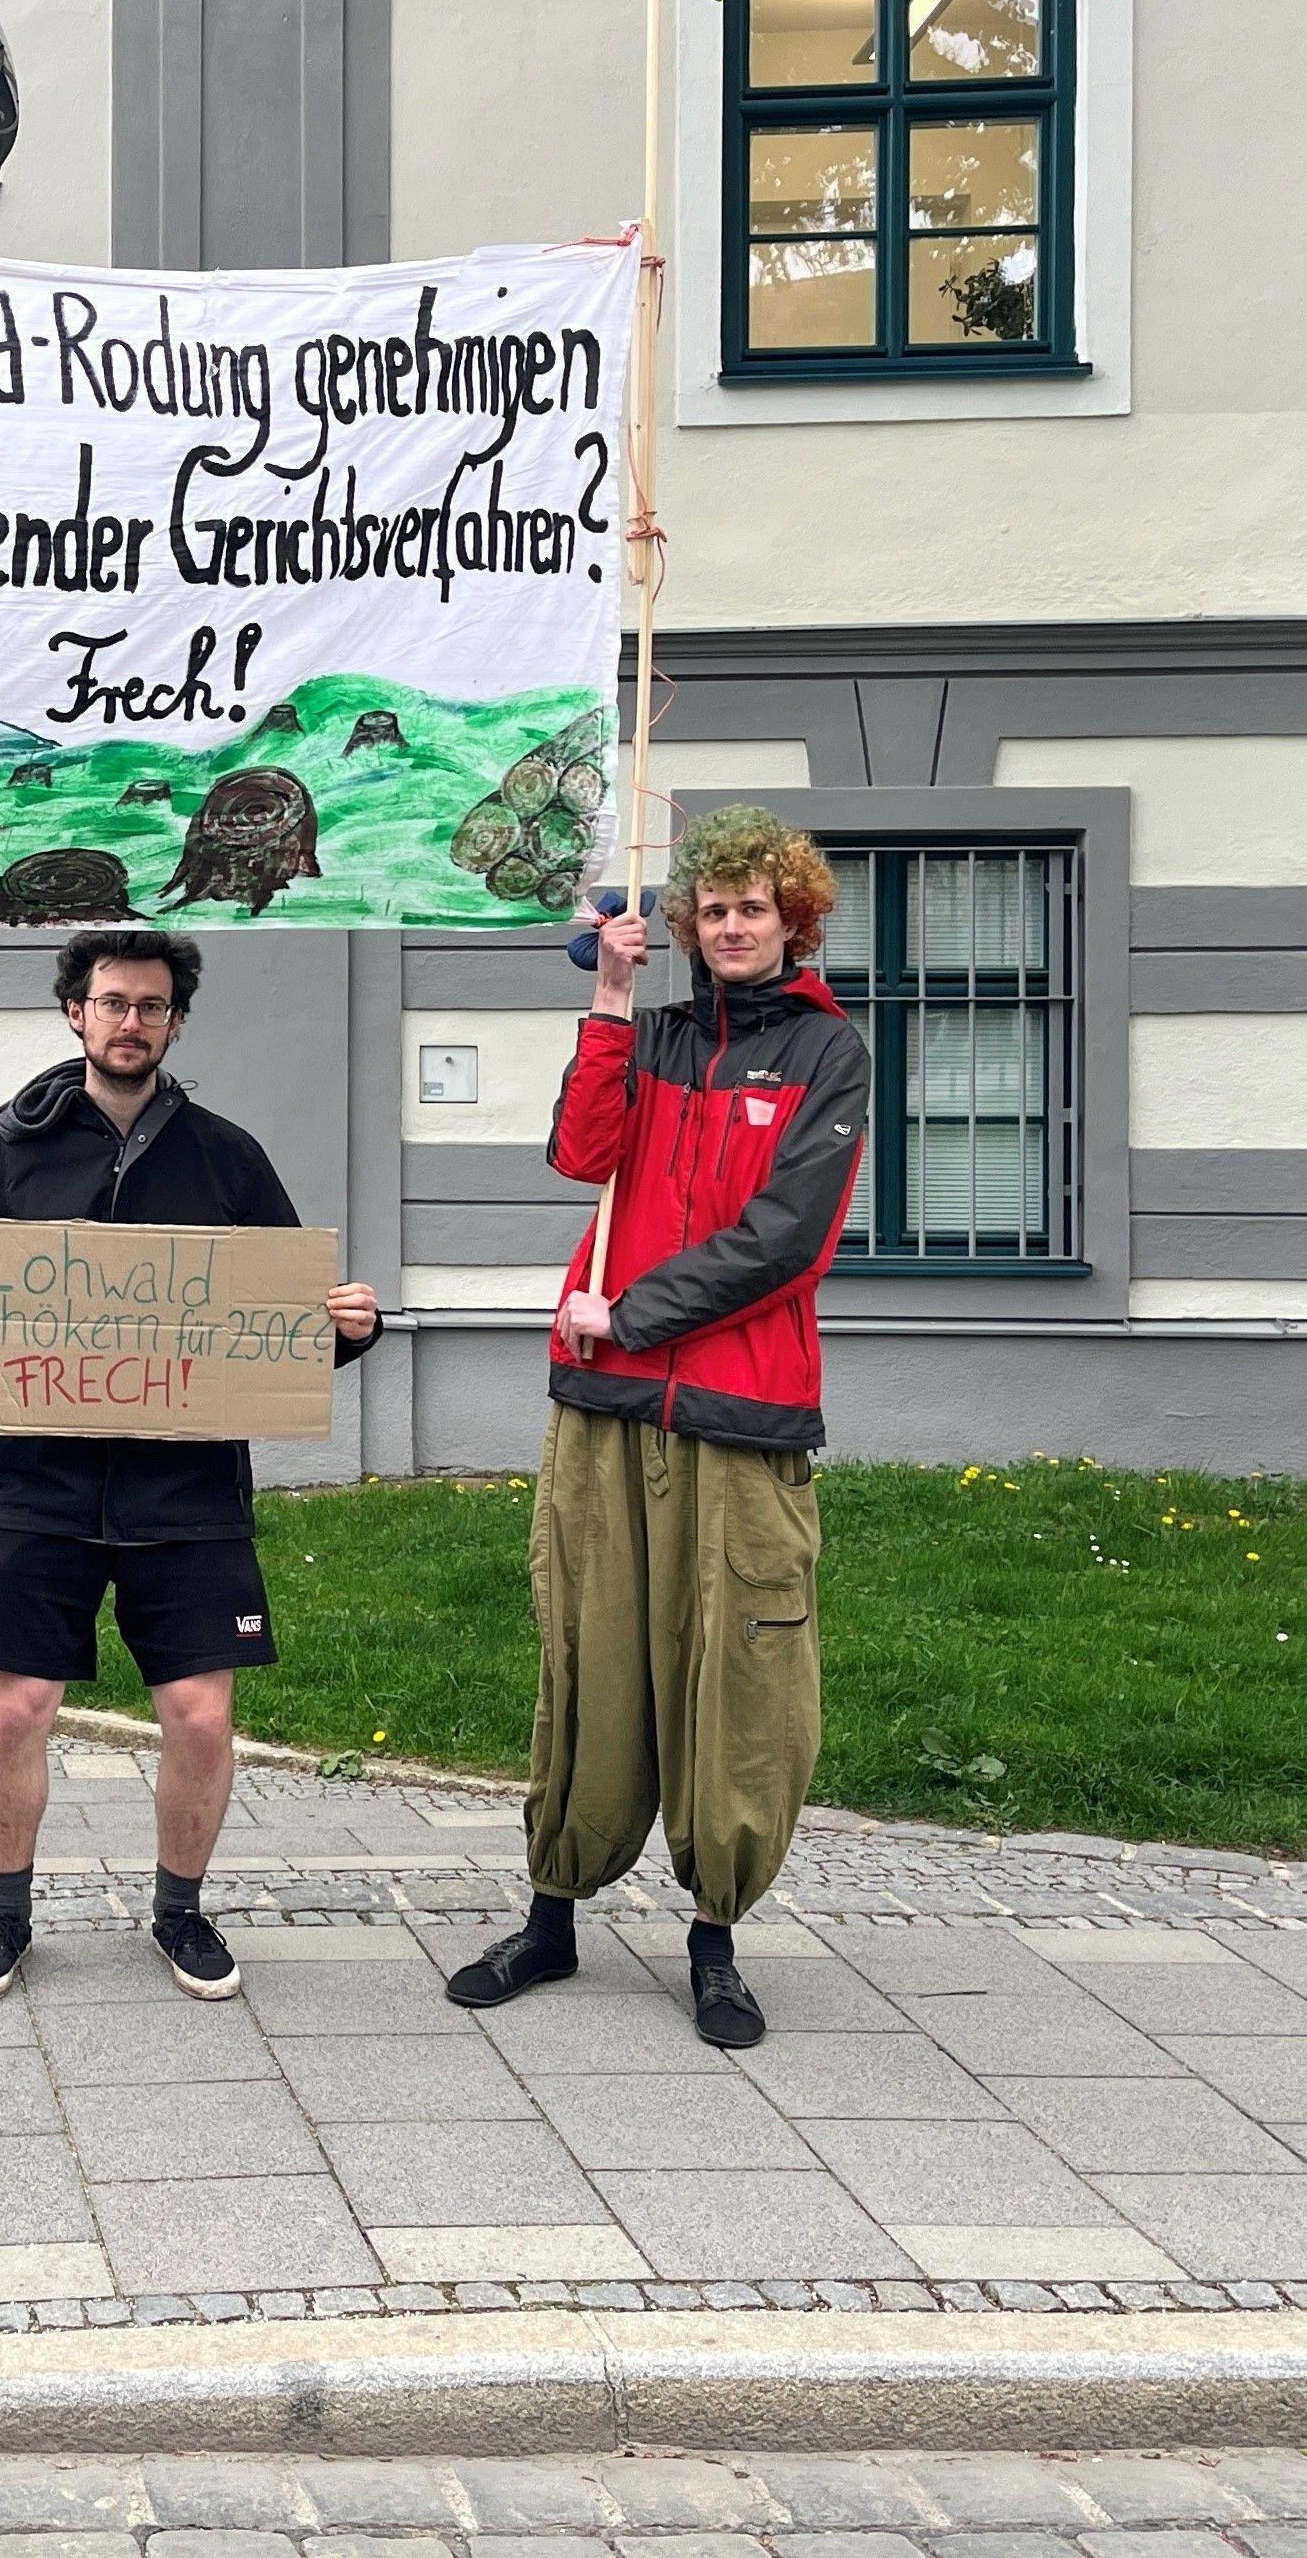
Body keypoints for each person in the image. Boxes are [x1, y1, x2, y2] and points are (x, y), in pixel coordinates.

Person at [0, 927, 384, 2007]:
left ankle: (180, 1911)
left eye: (151, 1006)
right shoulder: (10, 1155)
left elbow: (285, 1322)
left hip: (189, 1493)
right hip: (39, 1486)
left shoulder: (229, 1156)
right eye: (112, 1003)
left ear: (175, 1021)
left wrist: (347, 1324)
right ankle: (5, 1915)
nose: (130, 1022)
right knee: (17, 1708)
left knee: (200, 1715)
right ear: (74, 1015)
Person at [445, 806, 872, 2050]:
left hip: (741, 1409)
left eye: (755, 906)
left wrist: (625, 1312)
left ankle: (715, 1940)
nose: (732, 927)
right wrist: (613, 1004)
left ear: (795, 917)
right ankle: (551, 1915)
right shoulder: (663, 1035)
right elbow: (584, 1155)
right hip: (604, 1405)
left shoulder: (826, 1057)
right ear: (684, 926)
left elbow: (785, 1240)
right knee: (588, 1651)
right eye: (712, 910)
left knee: (733, 1669)